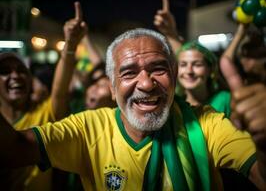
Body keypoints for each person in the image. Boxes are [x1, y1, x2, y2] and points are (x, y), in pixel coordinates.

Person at [0, 28, 266, 190]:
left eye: (158, 69)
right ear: (113, 89)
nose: (146, 84)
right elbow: (13, 150)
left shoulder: (207, 123)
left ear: (173, 78)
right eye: (128, 73)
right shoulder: (88, 129)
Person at [0, 1, 87, 191]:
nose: (15, 75)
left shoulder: (43, 113)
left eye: (21, 70)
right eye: (5, 71)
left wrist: (70, 45)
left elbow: (60, 91)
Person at [154, 0, 230, 117]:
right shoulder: (173, 104)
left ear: (210, 69)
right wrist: (169, 33)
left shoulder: (225, 100)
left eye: (197, 64)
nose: (189, 71)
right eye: (183, 65)